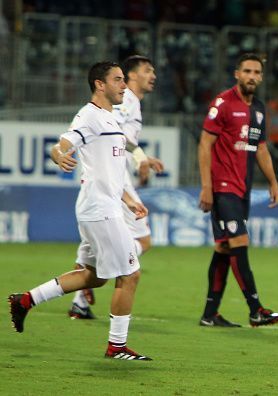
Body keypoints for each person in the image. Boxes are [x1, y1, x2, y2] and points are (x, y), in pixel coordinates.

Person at [9, 61, 152, 360]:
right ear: (100, 84)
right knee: (130, 275)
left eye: (124, 80)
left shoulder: (111, 119)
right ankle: (117, 346)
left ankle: (25, 300)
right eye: (117, 80)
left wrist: (128, 200)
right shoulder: (89, 116)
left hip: (104, 206)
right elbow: (63, 142)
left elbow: (110, 170)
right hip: (100, 210)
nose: (124, 86)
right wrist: (58, 155)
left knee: (94, 277)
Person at [67, 55, 164, 320]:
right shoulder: (127, 101)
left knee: (133, 241)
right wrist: (140, 157)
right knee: (142, 241)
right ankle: (93, 273)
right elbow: (113, 131)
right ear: (132, 76)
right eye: (147, 70)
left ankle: (82, 291)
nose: (152, 75)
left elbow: (120, 138)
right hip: (114, 178)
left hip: (114, 178)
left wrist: (142, 157)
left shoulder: (132, 101)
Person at [197, 53, 278, 328]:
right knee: (239, 243)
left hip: (242, 188)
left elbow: (261, 148)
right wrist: (207, 187)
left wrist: (272, 181)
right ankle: (256, 309)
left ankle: (210, 314)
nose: (252, 76)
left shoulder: (258, 108)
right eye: (246, 70)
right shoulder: (222, 103)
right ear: (237, 74)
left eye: (256, 72)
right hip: (222, 188)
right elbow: (204, 145)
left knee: (224, 247)